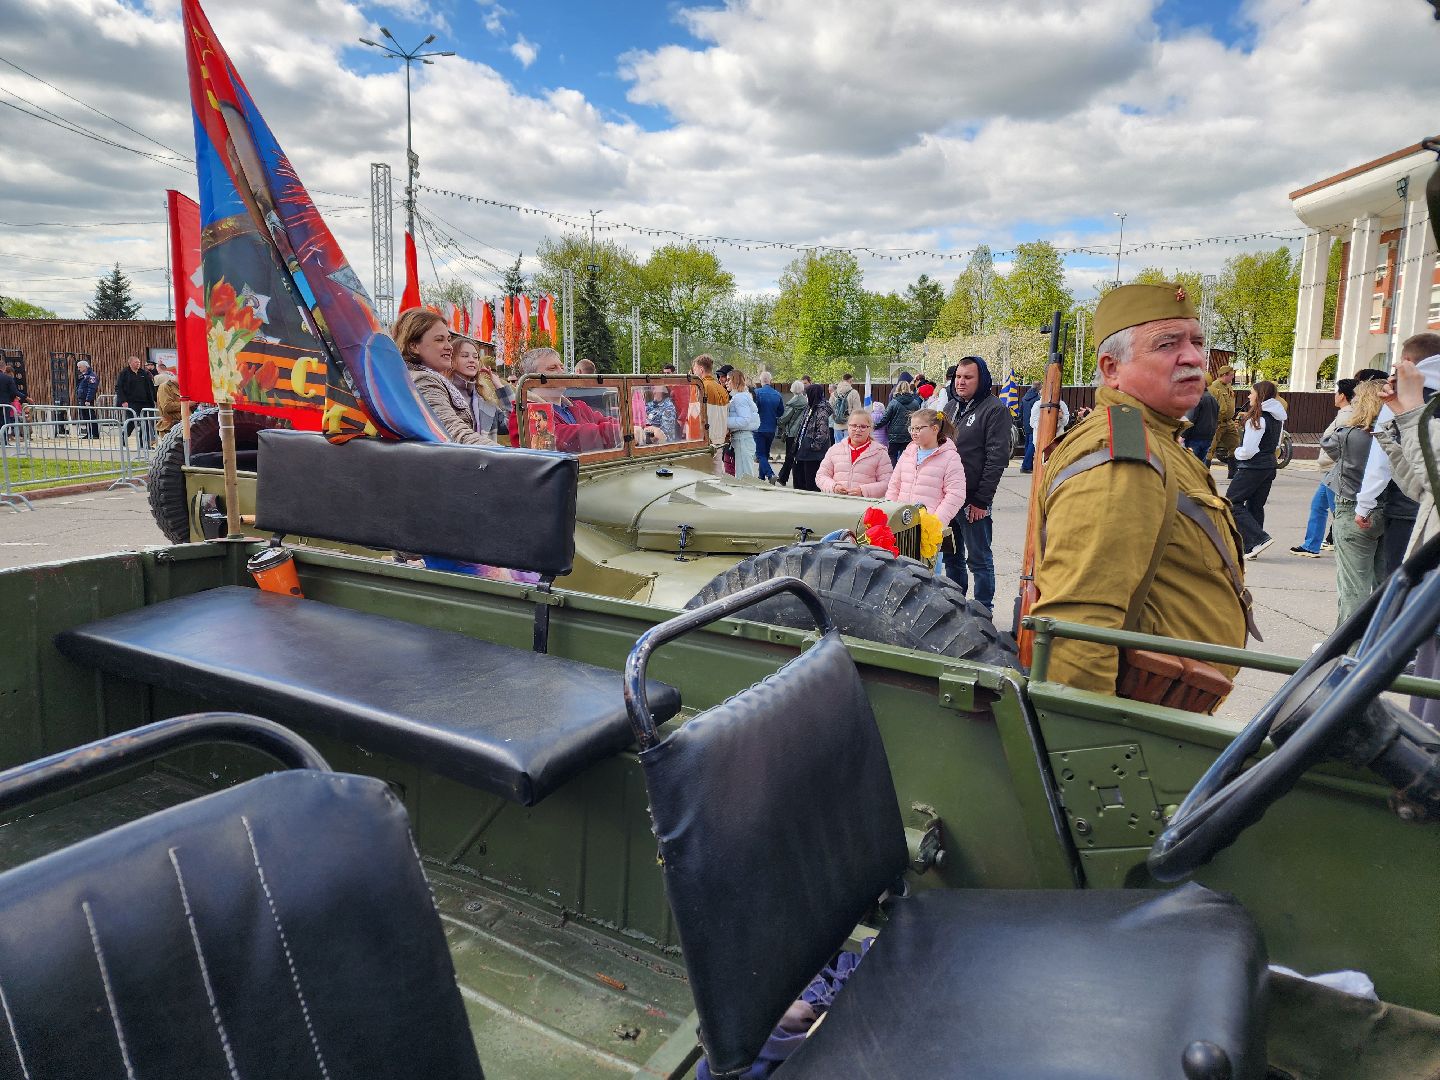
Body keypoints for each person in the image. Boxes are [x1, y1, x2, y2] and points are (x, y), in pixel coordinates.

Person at [1031, 282, 1251, 696]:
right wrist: (1092, 752)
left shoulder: (1158, 437)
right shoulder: (1122, 456)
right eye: (1168, 344)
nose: (1192, 357)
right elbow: (1079, 627)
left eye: (1197, 342)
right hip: (1139, 727)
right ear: (1111, 368)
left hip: (1166, 710)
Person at [1374, 346, 1440, 730]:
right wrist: (1397, 420)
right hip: (1430, 599)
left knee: (1433, 723)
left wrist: (1413, 410)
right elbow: (1420, 485)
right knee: (1425, 712)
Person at [1354, 338, 1440, 576]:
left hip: (1408, 508)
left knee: (1402, 585)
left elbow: (1382, 462)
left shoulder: (1410, 394)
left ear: (1407, 362)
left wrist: (1365, 503)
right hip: (1420, 503)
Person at [939, 355, 1010, 612]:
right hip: (948, 500)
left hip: (973, 501)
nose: (961, 382)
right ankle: (955, 609)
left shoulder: (994, 410)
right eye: (958, 377)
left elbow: (997, 457)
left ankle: (983, 611)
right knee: (952, 558)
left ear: (981, 380)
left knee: (978, 559)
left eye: (968, 377)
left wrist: (982, 500)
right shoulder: (949, 408)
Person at [1323, 378, 1386, 625]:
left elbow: (1328, 444)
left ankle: (1349, 647)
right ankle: (1380, 644)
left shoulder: (1349, 434)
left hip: (1352, 507)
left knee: (1353, 587)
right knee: (1384, 583)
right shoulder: (1395, 434)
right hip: (1389, 510)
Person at [394, 310, 492, 445]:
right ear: (414, 346)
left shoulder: (423, 377)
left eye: (449, 340)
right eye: (439, 340)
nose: (449, 347)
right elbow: (451, 431)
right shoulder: (423, 381)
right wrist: (509, 457)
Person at [1291, 379, 1358, 558]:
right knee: (1319, 506)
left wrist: (1328, 460)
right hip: (1330, 469)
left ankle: (1349, 546)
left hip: (1334, 469)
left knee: (1339, 511)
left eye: (1336, 392)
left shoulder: (1346, 415)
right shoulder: (1345, 413)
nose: (1334, 396)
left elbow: (1337, 444)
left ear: (1343, 396)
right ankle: (1311, 545)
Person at [513, 347, 622, 453]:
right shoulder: (525, 412)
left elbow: (602, 420)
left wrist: (629, 426)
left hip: (590, 469)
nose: (562, 372)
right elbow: (566, 438)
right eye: (552, 368)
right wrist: (619, 432)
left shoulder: (578, 406)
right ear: (531, 379)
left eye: (562, 367)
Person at [1226, 381, 1287, 559]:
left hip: (1253, 466)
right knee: (1255, 505)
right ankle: (1251, 547)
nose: (1249, 396)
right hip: (1269, 465)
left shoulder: (1258, 418)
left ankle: (1257, 539)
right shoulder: (1276, 416)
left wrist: (1238, 452)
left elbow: (1249, 449)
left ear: (1260, 395)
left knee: (1231, 502)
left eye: (1251, 393)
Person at [884, 408, 966, 527]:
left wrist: (936, 521)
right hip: (901, 522)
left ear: (935, 429)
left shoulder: (950, 457)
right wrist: (890, 513)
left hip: (929, 526)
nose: (913, 432)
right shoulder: (907, 453)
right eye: (911, 428)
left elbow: (956, 494)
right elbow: (894, 486)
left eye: (918, 428)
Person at [817, 408, 893, 497]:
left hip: (864, 507)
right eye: (854, 426)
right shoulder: (834, 450)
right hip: (836, 504)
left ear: (870, 429)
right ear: (848, 427)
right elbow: (821, 476)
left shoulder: (880, 453)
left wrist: (864, 491)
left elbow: (887, 483)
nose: (858, 430)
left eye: (863, 426)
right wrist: (834, 487)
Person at [450, 336, 513, 441]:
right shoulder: (442, 393)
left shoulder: (485, 401)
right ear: (451, 360)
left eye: (475, 357)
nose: (472, 360)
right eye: (465, 356)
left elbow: (513, 424)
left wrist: (500, 387)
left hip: (484, 457)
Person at [791, 384, 833, 492]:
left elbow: (823, 433)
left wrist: (813, 446)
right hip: (804, 450)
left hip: (813, 453)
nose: (805, 396)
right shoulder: (809, 407)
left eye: (807, 393)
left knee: (810, 484)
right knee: (799, 479)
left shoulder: (821, 410)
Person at [690, 354, 730, 460]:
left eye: (695, 369)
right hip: (720, 440)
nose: (694, 373)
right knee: (717, 472)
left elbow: (693, 416)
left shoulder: (700, 387)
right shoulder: (722, 389)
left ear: (701, 369)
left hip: (704, 440)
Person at [115, 354, 157, 450]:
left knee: (146, 423)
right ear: (130, 363)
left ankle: (144, 444)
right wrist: (123, 401)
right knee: (131, 421)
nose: (138, 364)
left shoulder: (144, 373)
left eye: (139, 362)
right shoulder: (124, 373)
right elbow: (119, 388)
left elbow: (150, 387)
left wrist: (154, 399)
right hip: (131, 402)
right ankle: (124, 439)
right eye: (135, 362)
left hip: (145, 402)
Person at [725, 368, 761, 480]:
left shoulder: (740, 397)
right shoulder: (741, 396)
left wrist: (724, 422)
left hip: (742, 438)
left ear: (734, 381)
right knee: (743, 474)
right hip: (742, 438)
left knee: (744, 476)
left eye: (728, 379)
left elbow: (744, 419)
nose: (726, 382)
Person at [879, 379, 923, 465]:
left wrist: (874, 426)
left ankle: (894, 474)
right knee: (907, 456)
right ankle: (905, 474)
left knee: (892, 455)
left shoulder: (893, 403)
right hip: (909, 433)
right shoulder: (915, 403)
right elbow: (919, 418)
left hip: (894, 435)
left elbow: (885, 419)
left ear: (897, 389)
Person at [1207, 363, 1240, 476]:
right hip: (1217, 422)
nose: (1232, 377)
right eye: (1231, 375)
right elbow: (1211, 405)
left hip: (1229, 422)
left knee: (1234, 444)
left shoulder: (1228, 386)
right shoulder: (1214, 387)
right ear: (1224, 375)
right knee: (1210, 448)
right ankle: (1204, 474)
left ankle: (1233, 472)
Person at [753, 371, 785, 482]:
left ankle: (770, 474)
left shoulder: (756, 393)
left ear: (761, 381)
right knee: (765, 454)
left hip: (758, 428)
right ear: (770, 381)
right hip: (771, 428)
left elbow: (753, 410)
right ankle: (761, 477)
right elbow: (781, 412)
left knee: (760, 454)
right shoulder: (777, 394)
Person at [776, 380, 808, 487]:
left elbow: (785, 418)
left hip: (792, 433)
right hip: (803, 432)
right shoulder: (806, 401)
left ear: (792, 389)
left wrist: (777, 420)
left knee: (789, 456)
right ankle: (794, 479)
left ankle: (783, 477)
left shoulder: (792, 402)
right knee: (797, 457)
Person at [1184, 384, 1218, 462]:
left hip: (1194, 438)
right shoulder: (1212, 399)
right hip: (1208, 437)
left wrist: (1183, 435)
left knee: (1191, 465)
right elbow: (1216, 417)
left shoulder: (1196, 399)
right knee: (1201, 465)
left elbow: (1190, 418)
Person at [829, 374, 861, 444]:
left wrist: (835, 418)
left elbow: (830, 408)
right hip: (849, 425)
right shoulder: (854, 393)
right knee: (849, 447)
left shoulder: (834, 393)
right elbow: (857, 411)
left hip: (837, 425)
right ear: (850, 380)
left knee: (838, 448)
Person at [1018, 382, 1041, 473]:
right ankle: (1026, 466)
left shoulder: (1024, 398)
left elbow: (1020, 412)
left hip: (1026, 424)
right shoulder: (1037, 400)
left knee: (1027, 445)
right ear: (1038, 388)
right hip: (1034, 425)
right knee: (1032, 445)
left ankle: (1028, 465)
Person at [75, 359, 100, 439]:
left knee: (90, 416)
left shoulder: (91, 376)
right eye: (78, 367)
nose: (78, 369)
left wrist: (88, 400)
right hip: (82, 399)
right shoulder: (83, 376)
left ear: (85, 367)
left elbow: (92, 388)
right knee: (85, 417)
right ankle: (89, 433)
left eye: (80, 367)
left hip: (87, 400)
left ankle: (94, 434)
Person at [154, 370, 181, 436]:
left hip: (182, 426)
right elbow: (167, 407)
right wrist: (188, 404)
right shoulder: (165, 387)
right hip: (170, 428)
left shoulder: (181, 388)